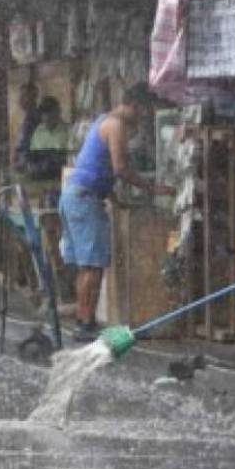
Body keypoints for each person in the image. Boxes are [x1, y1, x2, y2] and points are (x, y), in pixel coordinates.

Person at [60, 83, 174, 343]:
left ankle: (83, 319)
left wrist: (114, 199)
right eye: (146, 111)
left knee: (86, 266)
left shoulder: (104, 120)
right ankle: (86, 322)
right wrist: (152, 188)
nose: (145, 117)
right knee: (94, 266)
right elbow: (119, 168)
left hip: (78, 195)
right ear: (137, 105)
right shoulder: (117, 125)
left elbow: (100, 169)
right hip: (84, 198)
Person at [24, 96, 69, 182]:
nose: (47, 116)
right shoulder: (38, 131)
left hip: (60, 176)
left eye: (50, 112)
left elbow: (69, 159)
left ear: (58, 112)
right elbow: (32, 156)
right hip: (40, 176)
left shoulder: (67, 131)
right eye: (44, 113)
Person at [13, 82, 40, 172]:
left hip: (32, 167)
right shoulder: (27, 118)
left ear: (33, 97)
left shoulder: (35, 119)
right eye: (20, 96)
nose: (19, 100)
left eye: (23, 96)